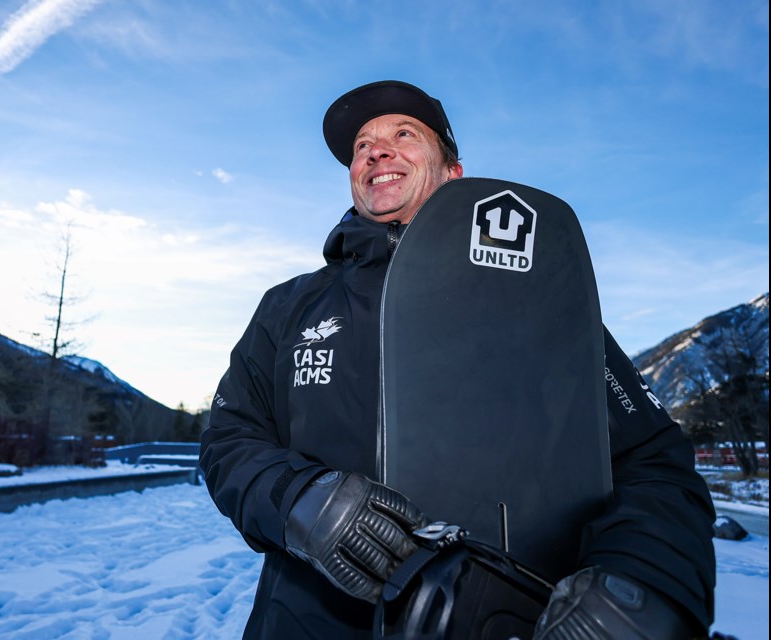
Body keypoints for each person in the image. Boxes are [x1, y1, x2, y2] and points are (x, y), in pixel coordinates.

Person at [199, 80, 716, 639]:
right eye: (361, 146)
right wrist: (300, 501)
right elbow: (229, 440)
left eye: (404, 134)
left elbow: (653, 460)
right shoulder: (290, 306)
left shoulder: (538, 301)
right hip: (306, 622)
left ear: (453, 175)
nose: (376, 150)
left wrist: (645, 582)